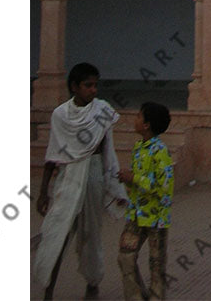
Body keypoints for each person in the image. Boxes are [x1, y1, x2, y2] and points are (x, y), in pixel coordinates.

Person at [34, 62, 129, 300]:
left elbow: (108, 150)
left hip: (94, 175)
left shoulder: (103, 110)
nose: (93, 90)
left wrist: (113, 184)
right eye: (88, 85)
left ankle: (92, 282)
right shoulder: (61, 115)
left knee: (92, 234)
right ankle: (48, 288)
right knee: (58, 232)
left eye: (96, 85)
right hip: (68, 178)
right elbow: (53, 154)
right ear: (74, 86)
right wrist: (43, 192)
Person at [117, 102, 174, 300]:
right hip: (135, 215)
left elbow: (164, 188)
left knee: (156, 264)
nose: (135, 120)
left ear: (147, 124)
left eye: (139, 117)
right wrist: (125, 188)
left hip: (156, 218)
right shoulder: (138, 148)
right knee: (125, 257)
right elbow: (138, 182)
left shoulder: (161, 152)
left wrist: (134, 179)